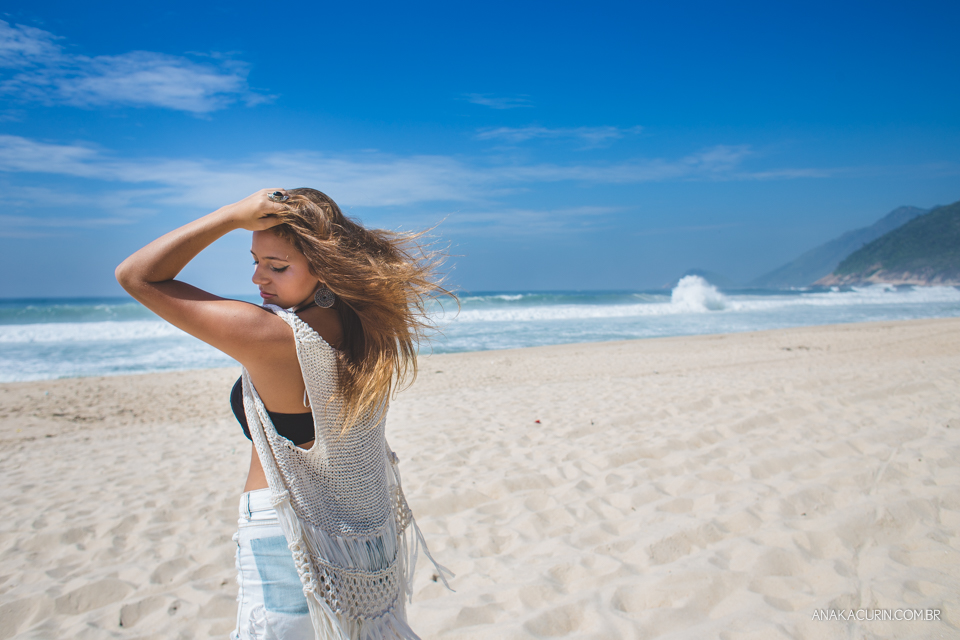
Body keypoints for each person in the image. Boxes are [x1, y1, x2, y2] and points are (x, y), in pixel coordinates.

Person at [116, 188, 453, 640]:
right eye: (255, 261)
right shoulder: (368, 330)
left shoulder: (272, 335)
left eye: (277, 266)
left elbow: (136, 276)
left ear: (326, 268)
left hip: (287, 533)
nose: (258, 277)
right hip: (365, 538)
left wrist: (230, 215)